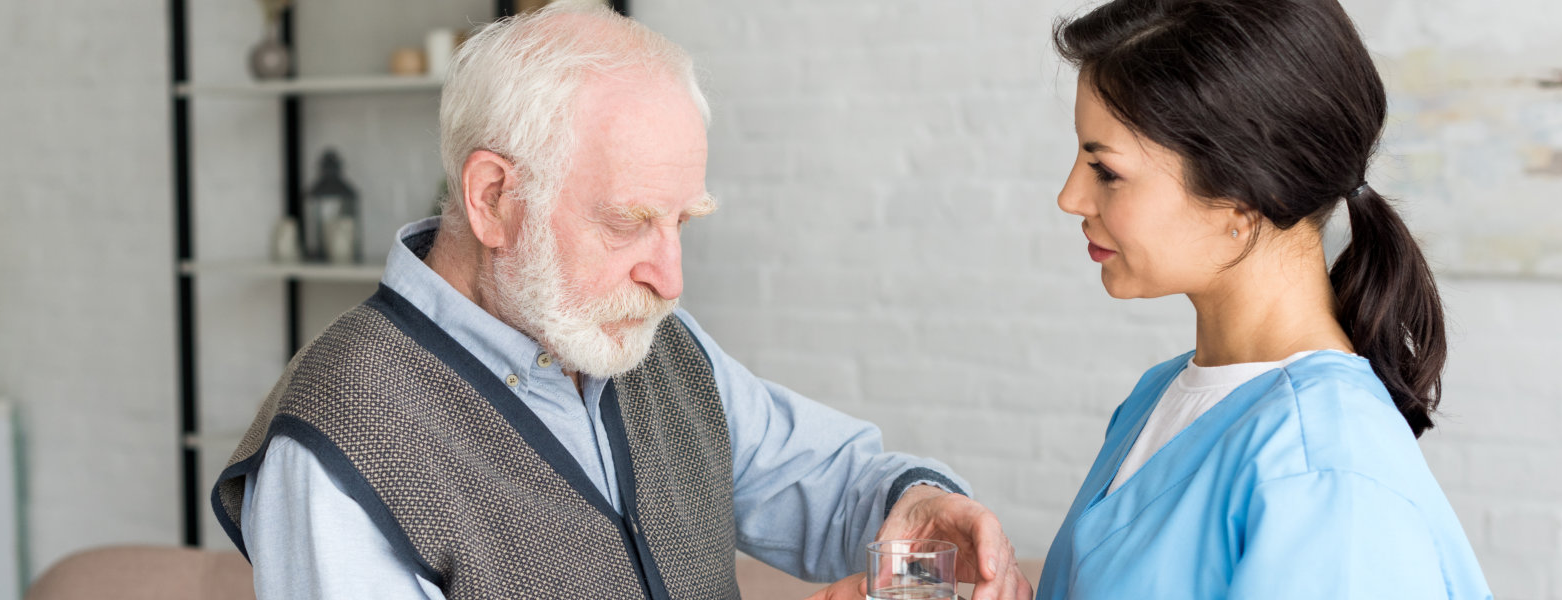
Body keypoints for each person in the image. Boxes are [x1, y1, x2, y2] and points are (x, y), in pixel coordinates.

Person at [210, 3, 1030, 599]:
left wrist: (920, 505)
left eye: (681, 223)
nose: (669, 279)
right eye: (630, 223)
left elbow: (827, 480)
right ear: (494, 199)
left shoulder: (651, 346)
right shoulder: (338, 448)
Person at [1034, 0, 1493, 598]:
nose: (1071, 197)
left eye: (1106, 170)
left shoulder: (1324, 470)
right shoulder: (1160, 396)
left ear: (1242, 198)